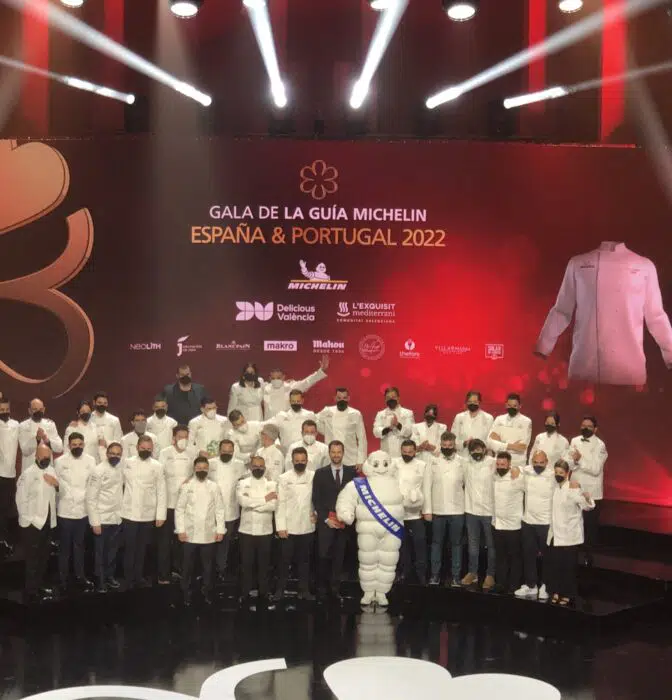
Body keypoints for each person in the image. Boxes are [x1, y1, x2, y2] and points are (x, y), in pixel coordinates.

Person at [175, 456, 226, 606]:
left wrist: (220, 530)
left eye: (204, 468)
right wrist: (180, 530)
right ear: (194, 469)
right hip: (189, 534)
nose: (202, 471)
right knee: (187, 566)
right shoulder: (187, 486)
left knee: (208, 567)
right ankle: (185, 592)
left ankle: (206, 592)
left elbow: (219, 509)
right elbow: (179, 509)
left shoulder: (214, 487)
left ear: (208, 470)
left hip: (209, 533)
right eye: (199, 468)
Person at [311, 441, 356, 600]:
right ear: (329, 453)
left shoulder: (352, 473)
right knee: (323, 557)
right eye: (333, 452)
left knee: (339, 557)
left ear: (343, 453)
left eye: (339, 452)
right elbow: (316, 498)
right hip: (326, 522)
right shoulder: (320, 473)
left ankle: (335, 590)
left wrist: (348, 516)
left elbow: (355, 497)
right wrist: (325, 519)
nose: (336, 455)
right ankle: (321, 589)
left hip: (344, 523)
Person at [546, 460, 595, 605]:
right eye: (556, 472)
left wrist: (587, 498)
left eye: (561, 473)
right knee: (556, 566)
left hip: (569, 535)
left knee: (568, 567)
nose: (558, 475)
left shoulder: (573, 488)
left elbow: (587, 507)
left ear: (567, 473)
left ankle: (568, 594)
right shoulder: (554, 488)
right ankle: (555, 591)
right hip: (556, 534)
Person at [121, 436, 166, 589]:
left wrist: (160, 515)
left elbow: (161, 491)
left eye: (148, 449)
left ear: (152, 449)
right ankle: (128, 578)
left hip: (148, 513)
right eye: (143, 448)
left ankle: (138, 577)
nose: (146, 451)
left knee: (142, 548)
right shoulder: (127, 462)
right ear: (137, 447)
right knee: (129, 547)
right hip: (129, 513)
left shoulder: (157, 466)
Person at [16, 443, 58, 603]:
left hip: (48, 522)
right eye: (43, 457)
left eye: (48, 457)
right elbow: (21, 500)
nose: (46, 459)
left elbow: (58, 493)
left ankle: (39, 585)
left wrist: (56, 484)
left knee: (44, 557)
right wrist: (29, 522)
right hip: (32, 525)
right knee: (32, 559)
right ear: (36, 456)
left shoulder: (52, 470)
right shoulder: (27, 474)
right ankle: (31, 591)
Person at [274, 446, 317, 601]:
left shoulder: (313, 476)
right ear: (292, 461)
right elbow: (280, 504)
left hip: (307, 525)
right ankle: (280, 590)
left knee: (305, 561)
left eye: (303, 460)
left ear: (307, 461)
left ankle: (304, 591)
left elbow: (317, 499)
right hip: (288, 527)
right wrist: (281, 527)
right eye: (297, 460)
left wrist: (316, 514)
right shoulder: (284, 478)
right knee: (284, 561)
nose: (300, 463)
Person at [422, 431, 465, 587]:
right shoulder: (432, 461)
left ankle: (456, 577)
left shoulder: (462, 462)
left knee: (456, 544)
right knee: (436, 543)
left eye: (450, 445)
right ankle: (435, 575)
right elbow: (426, 486)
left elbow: (468, 484)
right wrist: (427, 510)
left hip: (457, 510)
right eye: (444, 445)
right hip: (438, 510)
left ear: (454, 445)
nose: (447, 447)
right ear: (440, 445)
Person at [55, 432, 96, 591]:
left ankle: (80, 577)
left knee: (80, 546)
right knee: (64, 548)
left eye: (80, 444)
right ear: (68, 445)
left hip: (83, 511)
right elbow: (58, 486)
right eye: (74, 445)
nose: (77, 447)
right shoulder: (59, 461)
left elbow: (92, 485)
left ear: (84, 445)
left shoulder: (91, 460)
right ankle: (62, 580)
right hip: (65, 510)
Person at [236, 455, 278, 605]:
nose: (258, 469)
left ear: (265, 468)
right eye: (255, 466)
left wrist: (253, 503)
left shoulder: (272, 484)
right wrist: (264, 499)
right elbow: (243, 502)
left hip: (265, 531)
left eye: (261, 467)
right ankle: (245, 592)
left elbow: (273, 506)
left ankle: (264, 593)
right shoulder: (243, 483)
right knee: (246, 564)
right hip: (246, 530)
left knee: (264, 565)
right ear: (250, 467)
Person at [566, 415, 607, 564]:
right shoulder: (574, 441)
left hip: (591, 492)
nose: (585, 428)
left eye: (589, 426)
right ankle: (572, 553)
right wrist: (575, 461)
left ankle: (588, 556)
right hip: (574, 488)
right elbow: (569, 463)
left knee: (589, 526)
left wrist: (580, 460)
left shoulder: (600, 445)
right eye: (583, 425)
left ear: (595, 429)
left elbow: (595, 469)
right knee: (573, 522)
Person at [157, 425, 195, 584]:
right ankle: (163, 574)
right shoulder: (165, 453)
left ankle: (179, 570)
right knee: (165, 541)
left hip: (185, 505)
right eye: (180, 437)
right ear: (173, 438)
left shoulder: (192, 453)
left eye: (186, 437)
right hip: (168, 504)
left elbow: (195, 473)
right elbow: (159, 476)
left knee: (182, 540)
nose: (183, 440)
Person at [515, 450, 554, 600]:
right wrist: (515, 469)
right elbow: (518, 468)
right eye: (535, 462)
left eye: (541, 463)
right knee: (528, 555)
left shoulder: (552, 476)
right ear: (532, 462)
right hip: (528, 522)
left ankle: (545, 585)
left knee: (547, 557)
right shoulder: (527, 472)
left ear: (547, 462)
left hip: (545, 523)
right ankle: (531, 585)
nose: (538, 465)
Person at [86, 442, 124, 593]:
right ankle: (100, 580)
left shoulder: (120, 467)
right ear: (107, 454)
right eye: (112, 453)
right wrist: (95, 522)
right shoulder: (98, 470)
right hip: (101, 518)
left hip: (116, 518)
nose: (115, 456)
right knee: (100, 553)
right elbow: (91, 498)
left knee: (112, 551)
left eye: (118, 454)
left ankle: (109, 576)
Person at [209, 439, 246, 581]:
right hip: (211, 510)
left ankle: (221, 570)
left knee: (225, 542)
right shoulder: (211, 463)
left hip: (231, 510)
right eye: (224, 451)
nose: (227, 454)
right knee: (210, 540)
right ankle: (209, 570)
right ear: (219, 450)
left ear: (233, 451)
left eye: (230, 452)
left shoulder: (239, 464)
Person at [462, 439, 496, 591]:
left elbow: (509, 467)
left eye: (479, 449)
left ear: (484, 449)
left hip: (489, 511)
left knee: (491, 545)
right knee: (473, 544)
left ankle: (490, 574)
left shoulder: (492, 462)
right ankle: (472, 572)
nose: (477, 453)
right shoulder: (466, 463)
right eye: (473, 450)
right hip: (471, 510)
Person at [394, 439, 428, 584]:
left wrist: (426, 510)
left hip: (416, 514)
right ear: (401, 451)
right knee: (401, 546)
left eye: (410, 452)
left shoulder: (422, 465)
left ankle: (421, 574)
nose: (407, 454)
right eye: (404, 452)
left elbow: (426, 488)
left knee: (420, 544)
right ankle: (404, 572)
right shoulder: (393, 463)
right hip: (398, 513)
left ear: (415, 452)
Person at [491, 452, 524, 595]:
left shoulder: (518, 477)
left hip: (513, 525)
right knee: (500, 556)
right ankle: (500, 583)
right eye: (498, 464)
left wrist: (518, 469)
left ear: (509, 464)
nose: (500, 467)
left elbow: (529, 472)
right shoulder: (494, 477)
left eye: (503, 465)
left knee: (515, 557)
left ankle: (514, 585)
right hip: (497, 524)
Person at [316, 387, 367, 469]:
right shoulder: (327, 411)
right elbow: (315, 421)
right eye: (339, 398)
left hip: (350, 458)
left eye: (344, 398)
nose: (342, 400)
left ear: (348, 398)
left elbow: (362, 438)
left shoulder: (355, 414)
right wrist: (327, 432)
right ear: (335, 398)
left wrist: (361, 460)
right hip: (331, 458)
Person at [263, 356, 329, 419]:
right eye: (273, 378)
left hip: (286, 422)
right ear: (270, 378)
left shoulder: (291, 387)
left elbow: (307, 382)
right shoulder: (265, 388)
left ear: (283, 377)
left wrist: (322, 370)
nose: (276, 380)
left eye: (278, 378)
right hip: (269, 423)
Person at [487, 393, 532, 469]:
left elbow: (522, 447)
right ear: (506, 405)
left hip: (517, 463)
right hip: (499, 462)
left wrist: (500, 444)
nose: (512, 408)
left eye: (515, 406)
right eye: (509, 405)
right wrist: (512, 446)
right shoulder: (499, 419)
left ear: (520, 406)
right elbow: (490, 442)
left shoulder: (526, 421)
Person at [18, 398, 63, 470]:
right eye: (35, 409)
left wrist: (46, 439)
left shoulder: (50, 424)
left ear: (44, 409)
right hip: (29, 468)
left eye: (41, 409)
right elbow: (25, 451)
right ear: (29, 411)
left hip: (47, 468)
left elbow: (59, 448)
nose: (38, 412)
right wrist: (37, 439)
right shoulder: (23, 426)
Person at [0, 396, 19, 555]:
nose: (4, 412)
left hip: (10, 474)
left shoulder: (16, 425)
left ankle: (4, 541)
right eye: (1, 410)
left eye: (7, 409)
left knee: (6, 510)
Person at [372, 387, 414, 458]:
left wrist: (397, 424)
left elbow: (409, 432)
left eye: (393, 397)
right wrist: (389, 428)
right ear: (385, 400)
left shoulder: (408, 413)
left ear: (398, 398)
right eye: (388, 398)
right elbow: (375, 432)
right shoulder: (380, 414)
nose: (391, 399)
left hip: (403, 454)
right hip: (386, 454)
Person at [450, 391, 494, 459]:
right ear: (466, 402)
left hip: (481, 457)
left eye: (475, 401)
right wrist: (464, 443)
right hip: (462, 456)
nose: (472, 404)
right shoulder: (459, 417)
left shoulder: (488, 418)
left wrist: (478, 445)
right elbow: (453, 439)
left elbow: (491, 440)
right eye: (470, 401)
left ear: (479, 402)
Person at [91, 392, 123, 462]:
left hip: (109, 457)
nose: (102, 405)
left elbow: (119, 441)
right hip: (92, 455)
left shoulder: (114, 420)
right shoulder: (88, 419)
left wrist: (107, 443)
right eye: (99, 403)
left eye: (105, 403)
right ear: (94, 402)